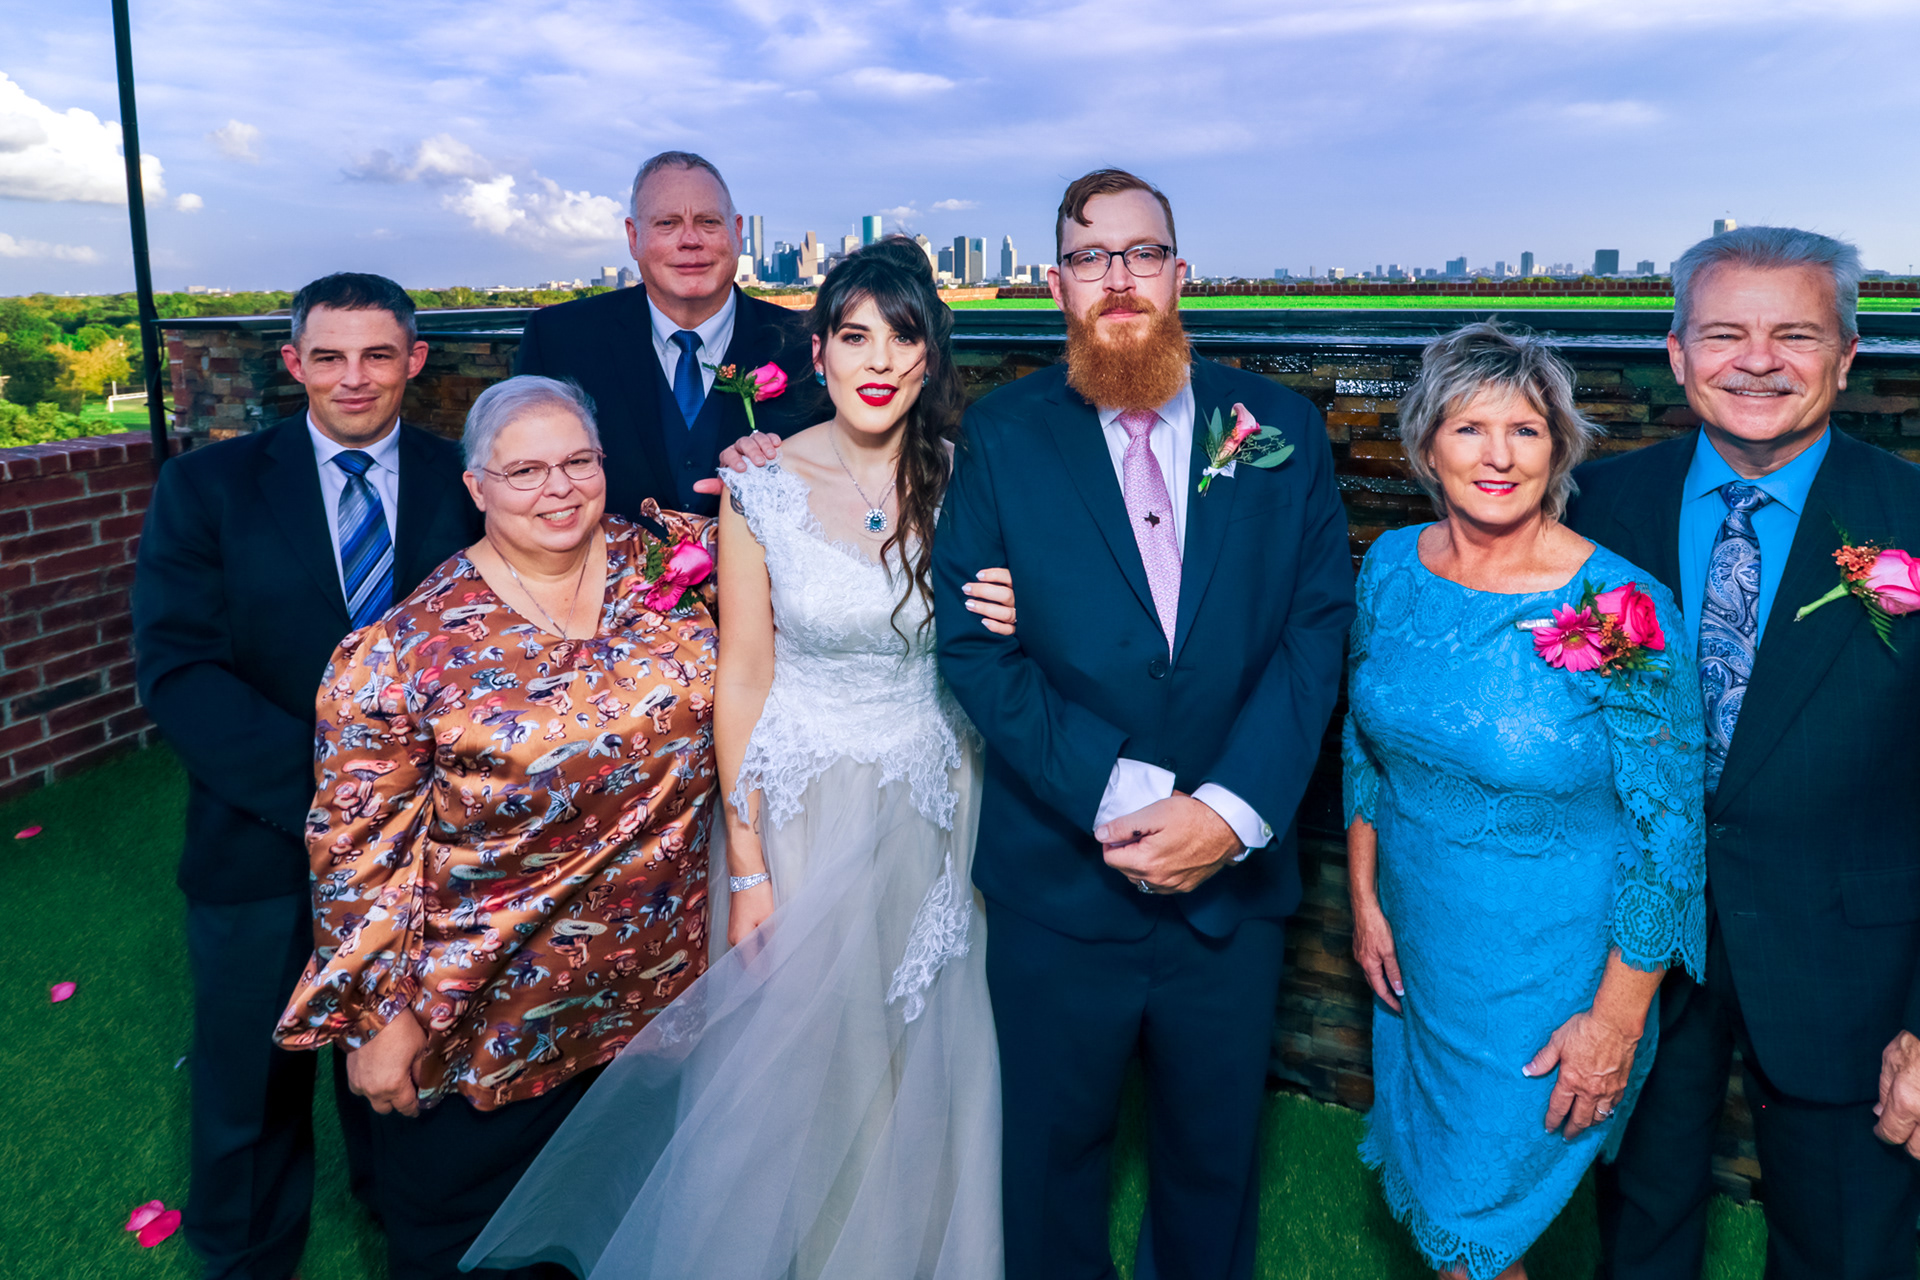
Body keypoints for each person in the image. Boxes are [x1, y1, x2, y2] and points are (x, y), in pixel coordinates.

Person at [465, 239, 1015, 1279]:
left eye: (903, 337)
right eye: (855, 335)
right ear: (818, 352)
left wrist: (1018, 607)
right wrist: (751, 866)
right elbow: (745, 679)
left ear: (931, 357)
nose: (879, 360)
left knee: (928, 1047)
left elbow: (1003, 633)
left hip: (942, 803)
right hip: (805, 812)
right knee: (807, 1060)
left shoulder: (970, 479)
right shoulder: (760, 484)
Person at [931, 169, 1355, 1280]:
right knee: (1052, 1161)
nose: (1118, 278)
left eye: (1142, 253)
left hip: (1230, 886)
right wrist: (1126, 797)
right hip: (1061, 882)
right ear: (1056, 285)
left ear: (1180, 273)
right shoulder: (1002, 434)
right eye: (1090, 257)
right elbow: (974, 648)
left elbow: (1315, 633)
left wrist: (1227, 812)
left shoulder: (1280, 428)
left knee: (1213, 1162)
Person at [272, 375, 722, 1280]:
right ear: (475, 486)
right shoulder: (406, 649)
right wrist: (375, 1021)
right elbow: (356, 852)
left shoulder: (671, 563)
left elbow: (838, 558)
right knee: (472, 1253)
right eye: (525, 471)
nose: (559, 488)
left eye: (578, 461)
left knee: (636, 1234)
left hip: (659, 999)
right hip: (486, 1018)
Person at [1571, 228, 1920, 1279]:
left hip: (1853, 967)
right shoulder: (1589, 510)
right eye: (1725, 333)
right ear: (1677, 355)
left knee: (1849, 1249)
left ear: (1847, 356)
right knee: (1638, 1231)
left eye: (1795, 335)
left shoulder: (1909, 518)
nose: (1758, 361)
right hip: (1633, 954)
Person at [133, 272, 481, 1280]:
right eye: (328, 356)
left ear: (416, 361)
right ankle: (245, 1254)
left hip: (429, 843)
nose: (353, 377)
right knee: (249, 1078)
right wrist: (338, 800)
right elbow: (180, 667)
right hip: (262, 836)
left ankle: (410, 1222)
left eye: (378, 354)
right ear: (295, 363)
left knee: (415, 1066)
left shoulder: (468, 480)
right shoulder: (207, 488)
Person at [1342, 323, 1707, 1280]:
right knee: (1446, 1208)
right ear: (1427, 448)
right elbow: (1365, 744)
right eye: (1469, 428)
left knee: (1474, 1228)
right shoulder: (1391, 565)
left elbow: (1671, 837)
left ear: (1559, 451)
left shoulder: (1620, 609)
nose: (1498, 456)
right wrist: (1365, 901)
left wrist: (1613, 1023)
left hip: (1547, 973)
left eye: (1526, 431)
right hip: (1423, 946)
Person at [513, 150, 816, 519]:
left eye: (708, 222)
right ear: (634, 237)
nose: (690, 240)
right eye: (667, 223)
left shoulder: (808, 344)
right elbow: (518, 480)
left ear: (737, 233)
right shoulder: (558, 339)